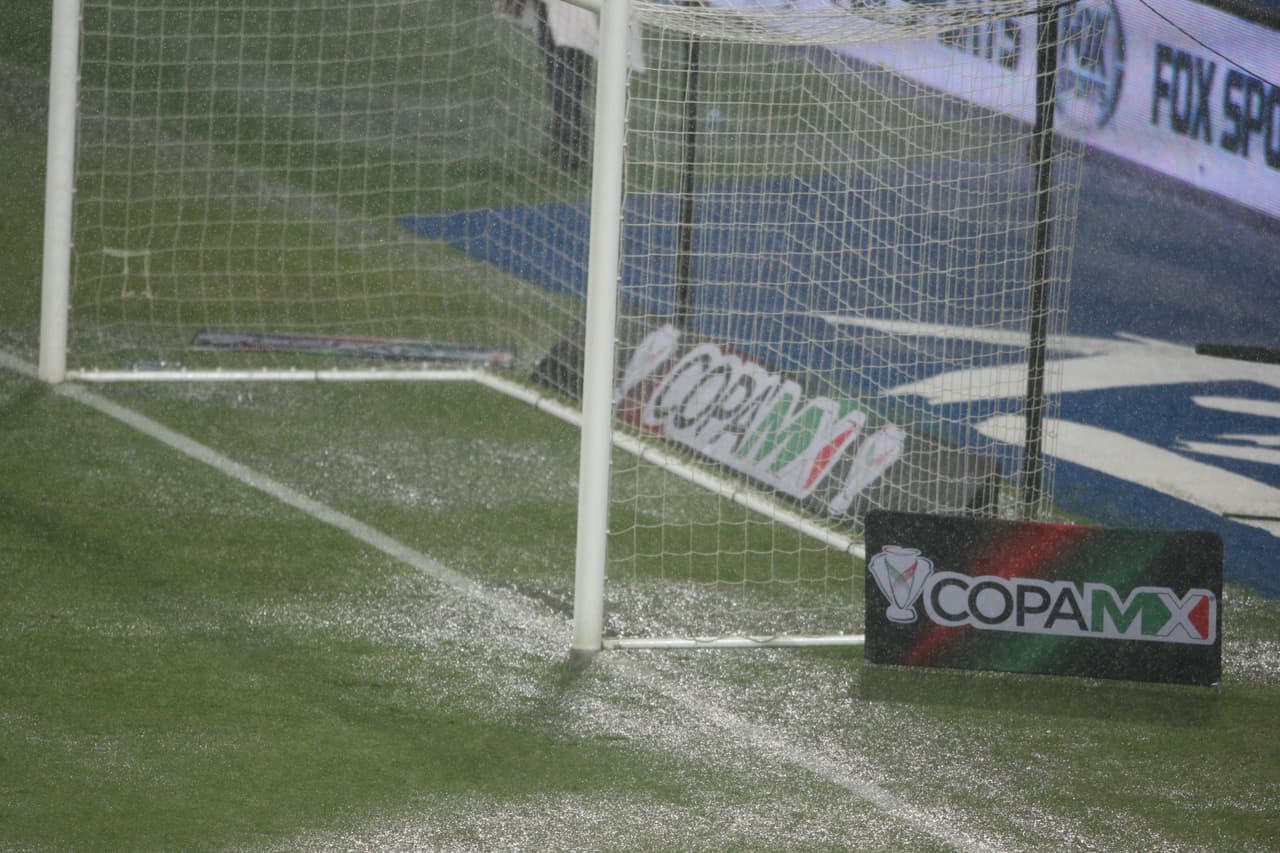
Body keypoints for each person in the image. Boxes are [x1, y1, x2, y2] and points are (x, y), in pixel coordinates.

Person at [496, 0, 645, 171]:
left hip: (576, 17)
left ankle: (571, 149)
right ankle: (565, 146)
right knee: (562, 85)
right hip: (554, 15)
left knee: (569, 86)